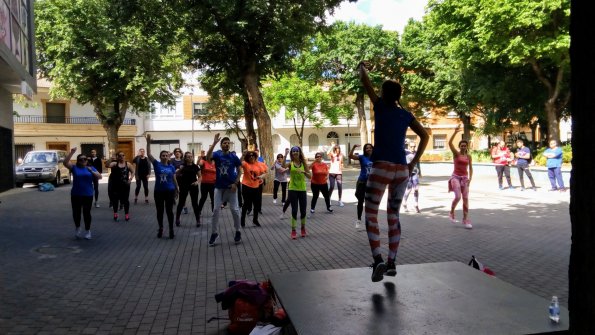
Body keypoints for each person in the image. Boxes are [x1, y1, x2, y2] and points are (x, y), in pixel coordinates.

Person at [359, 61, 429, 282]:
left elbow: (364, 80)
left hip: (381, 166)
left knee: (370, 213)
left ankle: (377, 259)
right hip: (402, 169)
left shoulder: (379, 106)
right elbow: (425, 135)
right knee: (393, 215)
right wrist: (413, 162)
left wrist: (362, 67)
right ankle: (392, 263)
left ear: (383, 93)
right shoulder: (406, 114)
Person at [206, 133, 243, 246]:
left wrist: (235, 183)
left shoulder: (233, 157)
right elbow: (208, 159)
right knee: (216, 210)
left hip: (231, 187)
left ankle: (238, 231)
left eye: (228, 143)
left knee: (235, 210)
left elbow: (240, 171)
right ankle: (214, 233)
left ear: (229, 145)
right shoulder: (217, 154)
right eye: (224, 143)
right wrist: (214, 143)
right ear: (221, 145)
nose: (226, 145)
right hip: (219, 187)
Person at [64, 147, 102, 240]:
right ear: (78, 161)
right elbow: (65, 163)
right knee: (76, 213)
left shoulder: (91, 168)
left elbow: (100, 176)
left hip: (88, 194)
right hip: (76, 194)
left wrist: (92, 171)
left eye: (85, 159)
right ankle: (77, 227)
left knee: (86, 212)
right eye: (81, 159)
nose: (83, 160)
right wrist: (72, 152)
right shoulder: (74, 168)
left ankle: (88, 231)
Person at [146, 134, 179, 239]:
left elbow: (174, 179)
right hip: (158, 192)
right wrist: (148, 142)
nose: (165, 157)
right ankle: (160, 228)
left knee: (169, 211)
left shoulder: (171, 167)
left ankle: (171, 229)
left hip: (170, 191)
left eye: (166, 155)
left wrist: (177, 189)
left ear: (168, 157)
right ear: (160, 157)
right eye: (163, 155)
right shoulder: (156, 164)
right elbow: (149, 154)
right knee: (160, 211)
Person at [448, 124, 473, 229]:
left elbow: (471, 168)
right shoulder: (456, 154)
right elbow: (449, 143)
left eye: (465, 145)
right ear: (460, 147)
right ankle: (451, 212)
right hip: (455, 177)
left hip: (464, 179)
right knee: (458, 196)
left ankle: (465, 219)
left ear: (467, 146)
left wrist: (470, 180)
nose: (463, 146)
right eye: (462, 145)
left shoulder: (468, 156)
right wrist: (455, 132)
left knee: (466, 199)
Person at [283, 146, 312, 239]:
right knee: (294, 210)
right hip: (292, 189)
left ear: (299, 152)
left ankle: (303, 228)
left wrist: (304, 172)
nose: (295, 152)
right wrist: (285, 155)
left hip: (302, 189)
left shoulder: (304, 163)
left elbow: (310, 176)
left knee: (303, 211)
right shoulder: (290, 163)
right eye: (293, 151)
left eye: (297, 151)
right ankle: (293, 230)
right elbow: (283, 166)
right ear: (292, 153)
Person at [349, 143, 373, 229]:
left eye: (370, 148)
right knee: (360, 200)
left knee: (369, 202)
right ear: (364, 150)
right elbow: (350, 156)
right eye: (367, 148)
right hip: (362, 181)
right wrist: (354, 147)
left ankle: (369, 220)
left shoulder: (375, 158)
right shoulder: (362, 157)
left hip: (371, 183)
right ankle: (358, 219)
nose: (369, 149)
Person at [240, 151, 267, 227]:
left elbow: (265, 173)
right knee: (246, 204)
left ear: (255, 157)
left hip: (256, 187)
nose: (251, 157)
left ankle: (255, 220)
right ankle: (242, 220)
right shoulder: (245, 163)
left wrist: (261, 177)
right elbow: (238, 163)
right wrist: (242, 155)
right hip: (246, 186)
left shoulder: (260, 164)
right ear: (247, 158)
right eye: (249, 156)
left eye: (253, 156)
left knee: (256, 204)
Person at [105, 152, 134, 222]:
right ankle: (115, 213)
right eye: (120, 155)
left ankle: (126, 214)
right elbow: (107, 165)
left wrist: (130, 180)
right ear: (117, 157)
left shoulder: (128, 164)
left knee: (126, 200)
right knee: (115, 200)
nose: (121, 157)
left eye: (123, 155)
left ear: (124, 156)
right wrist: (111, 158)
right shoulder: (115, 163)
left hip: (125, 185)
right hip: (116, 185)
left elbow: (133, 172)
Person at [175, 151, 202, 227]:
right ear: (185, 158)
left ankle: (198, 220)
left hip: (193, 185)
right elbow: (176, 174)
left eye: (191, 157)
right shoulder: (182, 166)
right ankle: (177, 219)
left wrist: (197, 182)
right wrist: (180, 170)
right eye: (188, 157)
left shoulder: (195, 166)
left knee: (195, 203)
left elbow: (200, 177)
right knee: (181, 202)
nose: (190, 158)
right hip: (184, 186)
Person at [309, 152, 333, 217]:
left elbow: (327, 171)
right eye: (317, 157)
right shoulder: (314, 164)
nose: (318, 158)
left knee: (326, 196)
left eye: (319, 156)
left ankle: (329, 207)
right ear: (315, 158)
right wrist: (314, 161)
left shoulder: (324, 164)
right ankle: (312, 208)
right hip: (315, 183)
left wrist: (327, 176)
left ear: (321, 157)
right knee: (315, 196)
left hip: (323, 183)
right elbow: (308, 168)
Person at [402, 142, 421, 213]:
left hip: (415, 173)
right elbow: (400, 147)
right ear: (409, 146)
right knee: (409, 189)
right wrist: (404, 141)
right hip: (407, 173)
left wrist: (420, 172)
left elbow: (418, 163)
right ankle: (404, 203)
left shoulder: (416, 152)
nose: (413, 148)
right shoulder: (406, 152)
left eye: (414, 146)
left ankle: (416, 204)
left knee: (416, 189)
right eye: (411, 146)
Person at [197, 151, 215, 225]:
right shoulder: (203, 162)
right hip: (204, 183)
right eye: (208, 155)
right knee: (203, 198)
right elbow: (198, 163)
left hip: (213, 184)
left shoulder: (215, 163)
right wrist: (200, 157)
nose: (210, 156)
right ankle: (198, 211)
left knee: (213, 198)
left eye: (211, 155)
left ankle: (214, 213)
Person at [171, 148, 188, 214]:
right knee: (175, 193)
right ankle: (173, 198)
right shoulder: (172, 160)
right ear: (174, 153)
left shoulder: (183, 160)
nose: (177, 153)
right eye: (176, 152)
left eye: (179, 152)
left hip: (182, 179)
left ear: (181, 153)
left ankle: (184, 206)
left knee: (182, 194)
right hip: (174, 179)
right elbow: (170, 168)